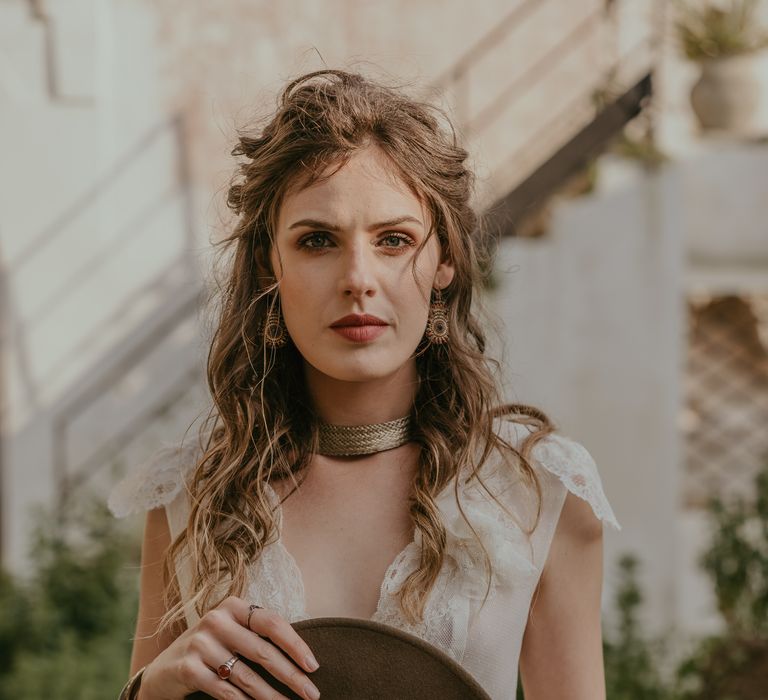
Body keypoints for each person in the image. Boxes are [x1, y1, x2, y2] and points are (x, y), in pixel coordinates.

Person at [108, 68, 622, 700]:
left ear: (444, 263)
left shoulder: (537, 491)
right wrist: (152, 689)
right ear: (271, 264)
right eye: (318, 240)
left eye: (394, 240)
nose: (358, 277)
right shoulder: (191, 497)